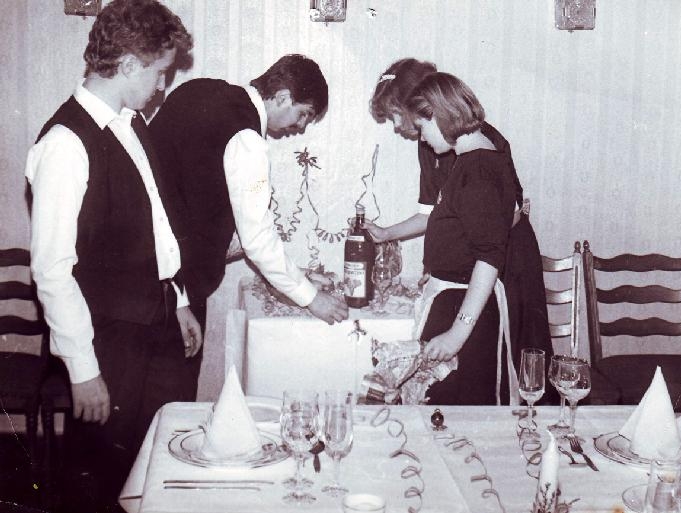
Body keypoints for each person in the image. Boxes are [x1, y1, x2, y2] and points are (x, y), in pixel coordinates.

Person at [25, 1, 194, 509]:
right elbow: (53, 271)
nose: (161, 86)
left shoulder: (130, 122)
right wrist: (83, 369)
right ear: (129, 65)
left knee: (158, 471)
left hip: (156, 325)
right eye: (160, 73)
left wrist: (179, 299)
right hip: (110, 343)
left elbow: (157, 224)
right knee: (104, 485)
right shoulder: (65, 143)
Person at [368, 59, 551, 404]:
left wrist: (457, 330)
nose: (413, 132)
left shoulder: (478, 164)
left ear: (434, 110)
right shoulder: (459, 153)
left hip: (483, 281)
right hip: (462, 283)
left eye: (417, 123)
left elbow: (491, 244)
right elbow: (447, 217)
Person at [148, 54, 349, 326]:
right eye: (303, 113)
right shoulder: (247, 139)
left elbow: (204, 206)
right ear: (282, 97)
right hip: (177, 291)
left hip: (144, 269)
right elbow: (257, 238)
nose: (301, 126)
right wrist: (311, 297)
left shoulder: (198, 89)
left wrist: (291, 276)